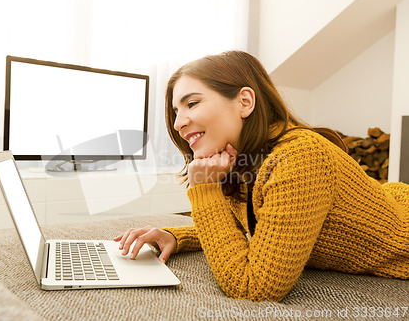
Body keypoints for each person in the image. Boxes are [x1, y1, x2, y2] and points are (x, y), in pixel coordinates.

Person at [114, 50, 409, 302]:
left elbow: (255, 287)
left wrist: (204, 189)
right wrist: (175, 236)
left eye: (192, 104)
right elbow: (257, 229)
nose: (178, 123)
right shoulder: (243, 160)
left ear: (244, 102)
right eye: (175, 111)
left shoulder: (300, 157)